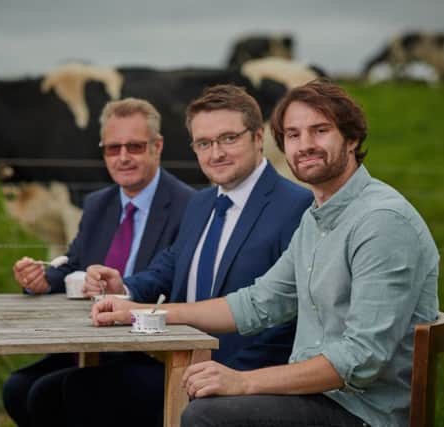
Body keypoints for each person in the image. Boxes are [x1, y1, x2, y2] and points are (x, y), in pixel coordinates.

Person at [92, 79, 440, 427]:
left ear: (351, 139)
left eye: (320, 131)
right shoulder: (316, 219)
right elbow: (257, 303)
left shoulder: (380, 221)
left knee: (206, 414)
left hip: (363, 411)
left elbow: (361, 359)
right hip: (319, 397)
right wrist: (143, 311)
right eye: (293, 134)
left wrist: (242, 381)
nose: (306, 145)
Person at [61, 84, 313, 427]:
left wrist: (232, 377)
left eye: (228, 139)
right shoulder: (201, 203)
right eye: (204, 143)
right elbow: (169, 268)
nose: (216, 154)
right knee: (56, 391)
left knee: (80, 395)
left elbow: (291, 315)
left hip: (246, 376)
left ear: (258, 137)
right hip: (177, 361)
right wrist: (125, 288)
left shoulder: (296, 206)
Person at [2, 97, 195, 427]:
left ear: (157, 146)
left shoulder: (188, 205)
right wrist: (43, 278)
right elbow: (73, 263)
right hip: (92, 341)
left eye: (134, 146)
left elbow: (170, 278)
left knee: (55, 394)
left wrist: (125, 290)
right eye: (112, 148)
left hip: (152, 351)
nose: (123, 158)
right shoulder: (97, 204)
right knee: (17, 389)